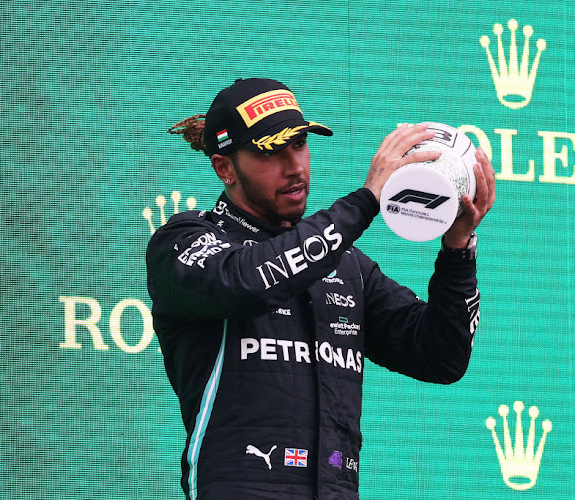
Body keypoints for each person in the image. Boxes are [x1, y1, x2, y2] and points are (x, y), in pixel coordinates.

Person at [146, 78, 495, 500]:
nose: (294, 166)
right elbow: (248, 281)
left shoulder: (347, 267)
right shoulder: (186, 240)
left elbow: (442, 356)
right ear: (225, 168)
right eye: (271, 151)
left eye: (299, 145)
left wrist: (458, 246)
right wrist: (367, 200)